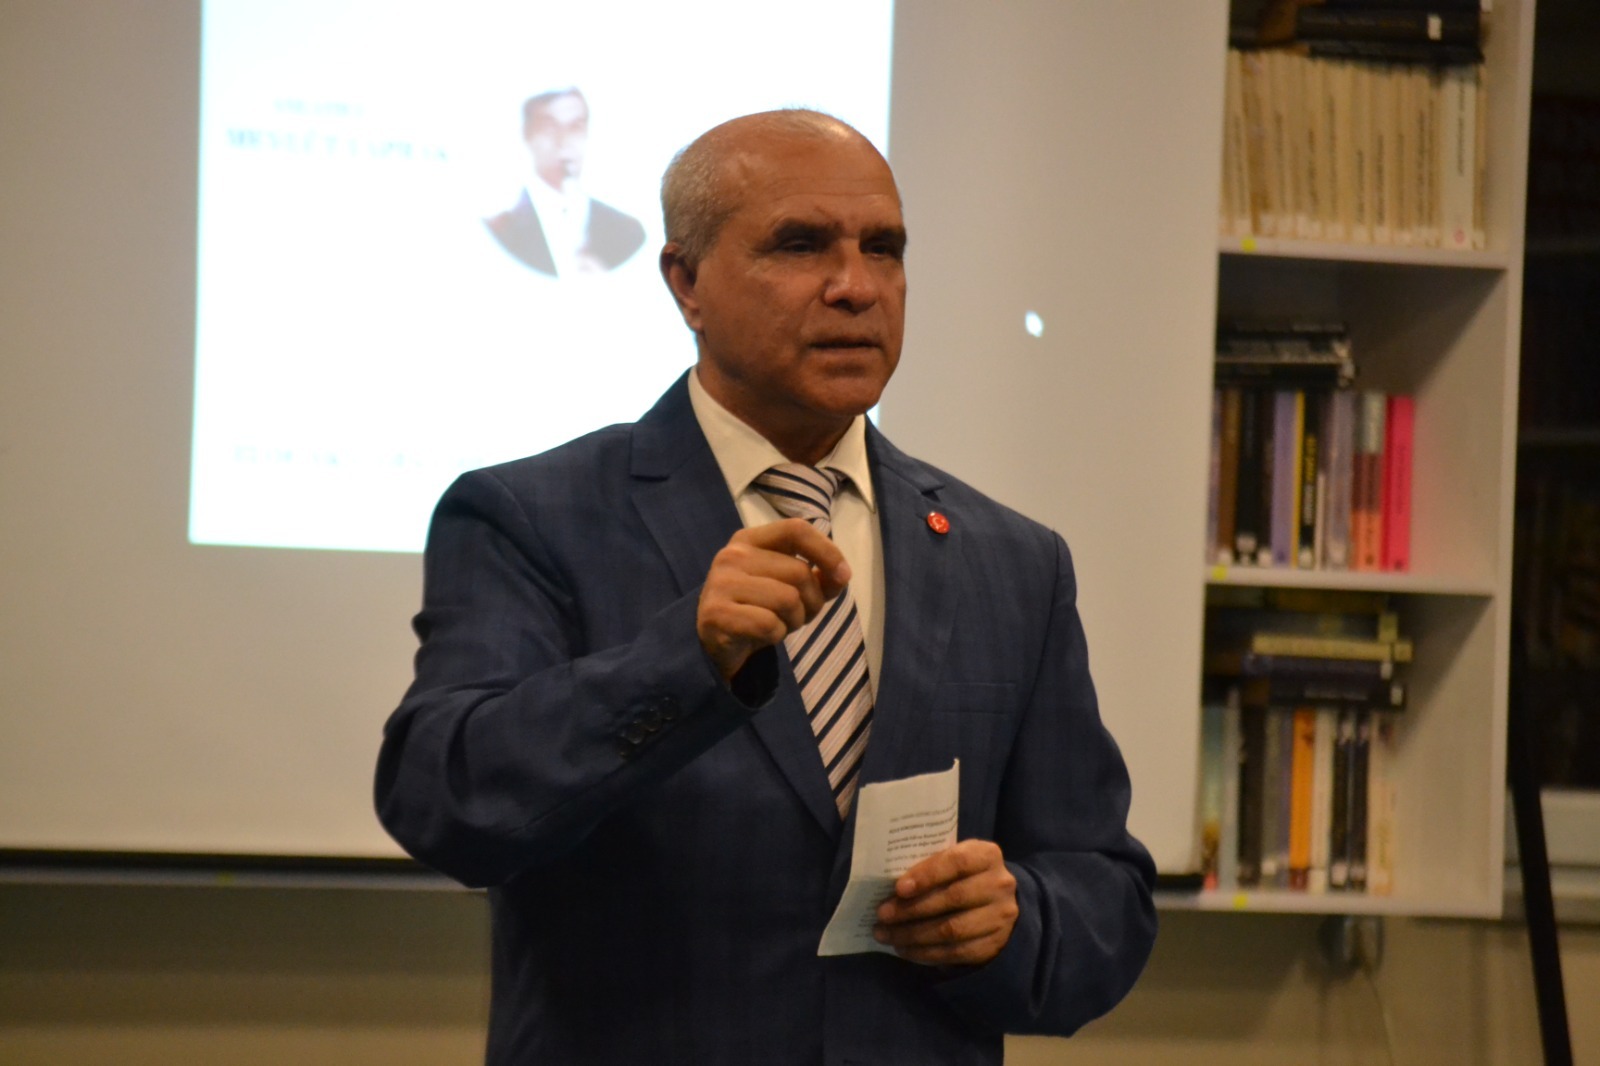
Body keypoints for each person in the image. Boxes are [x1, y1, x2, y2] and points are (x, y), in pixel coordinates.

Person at [377, 108, 1156, 1065]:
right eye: (800, 245)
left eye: (884, 249)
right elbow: (446, 801)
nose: (855, 287)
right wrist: (687, 660)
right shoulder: (533, 517)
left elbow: (1105, 893)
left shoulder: (1013, 561)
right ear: (686, 283)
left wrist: (1015, 919)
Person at [484, 87, 646, 276]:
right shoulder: (500, 229)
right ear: (526, 135)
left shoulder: (627, 229)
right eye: (549, 128)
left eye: (575, 127)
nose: (564, 141)